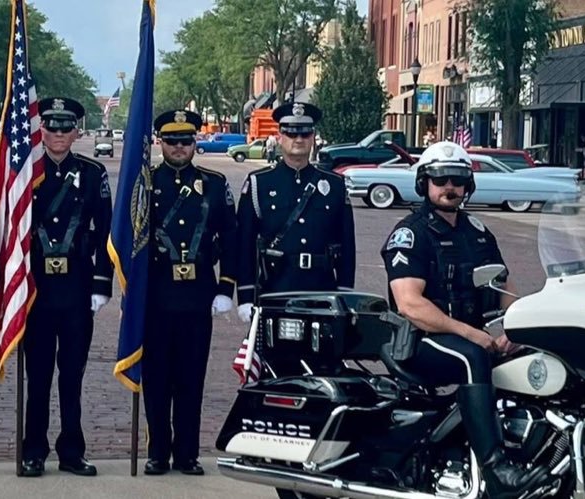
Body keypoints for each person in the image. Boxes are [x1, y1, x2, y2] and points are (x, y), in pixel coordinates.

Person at [380, 141, 545, 497]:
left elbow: (504, 285)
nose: (449, 187)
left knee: (539, 354)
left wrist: (515, 327)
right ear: (424, 183)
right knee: (473, 359)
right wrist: (471, 334)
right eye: (440, 180)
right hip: (418, 341)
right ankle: (497, 471)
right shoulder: (411, 234)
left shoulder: (477, 232)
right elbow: (409, 304)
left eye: (457, 179)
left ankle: (539, 450)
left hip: (469, 335)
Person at [18, 97, 114, 478]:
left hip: (76, 287)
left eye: (65, 127)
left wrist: (101, 283)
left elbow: (106, 231)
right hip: (36, 288)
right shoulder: (25, 172)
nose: (58, 134)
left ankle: (72, 451)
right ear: (41, 130)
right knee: (38, 378)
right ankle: (34, 451)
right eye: (51, 127)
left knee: (72, 377)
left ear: (77, 131)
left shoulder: (92, 173)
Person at [140, 109, 237, 476]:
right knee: (157, 379)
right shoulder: (145, 182)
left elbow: (229, 236)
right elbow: (130, 242)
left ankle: (187, 454)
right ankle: (157, 452)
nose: (179, 147)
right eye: (171, 140)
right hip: (157, 294)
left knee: (191, 378)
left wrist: (226, 286)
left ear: (196, 142)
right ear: (160, 142)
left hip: (198, 293)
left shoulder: (213, 183)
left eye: (186, 140)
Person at [233, 102, 356, 325]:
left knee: (323, 359)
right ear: (279, 136)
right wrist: (245, 295)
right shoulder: (259, 182)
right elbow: (245, 244)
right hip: (275, 288)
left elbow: (347, 244)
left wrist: (345, 293)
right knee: (273, 358)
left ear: (313, 137)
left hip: (321, 290)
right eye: (290, 133)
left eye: (305, 133)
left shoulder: (334, 184)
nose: (298, 139)